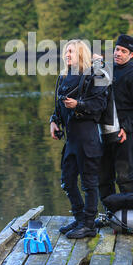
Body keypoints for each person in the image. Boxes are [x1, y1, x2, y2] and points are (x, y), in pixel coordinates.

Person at [50, 39, 108, 239]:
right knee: (67, 180)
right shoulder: (64, 77)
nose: (67, 55)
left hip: (87, 138)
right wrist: (54, 121)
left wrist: (78, 105)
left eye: (71, 52)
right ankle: (80, 218)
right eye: (66, 52)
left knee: (89, 183)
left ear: (81, 54)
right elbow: (58, 106)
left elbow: (100, 105)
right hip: (71, 140)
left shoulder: (95, 75)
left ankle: (89, 225)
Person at [97, 34, 133, 205]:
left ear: (131, 55)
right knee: (103, 178)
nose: (118, 53)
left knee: (125, 178)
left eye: (123, 51)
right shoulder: (108, 70)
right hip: (105, 131)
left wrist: (126, 128)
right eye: (117, 49)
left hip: (127, 133)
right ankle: (110, 215)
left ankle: (131, 217)